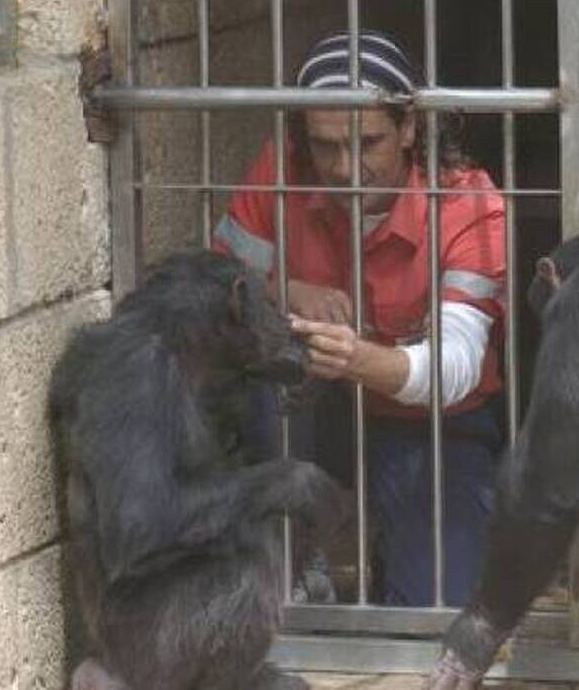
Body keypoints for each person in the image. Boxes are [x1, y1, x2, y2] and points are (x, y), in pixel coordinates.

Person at [213, 29, 506, 607]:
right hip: (304, 417)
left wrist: (356, 358)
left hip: (430, 422)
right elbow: (213, 287)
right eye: (325, 146)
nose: (346, 168)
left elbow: (458, 366)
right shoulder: (280, 169)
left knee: (433, 609)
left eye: (367, 142)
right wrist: (285, 290)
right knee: (261, 370)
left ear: (409, 128)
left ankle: (385, 544)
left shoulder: (466, 202)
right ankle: (295, 550)